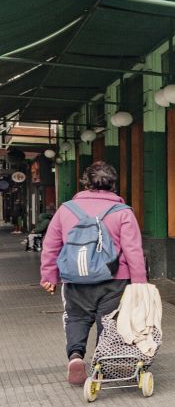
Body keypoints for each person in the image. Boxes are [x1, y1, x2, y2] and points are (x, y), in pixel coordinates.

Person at [38, 162, 148, 386]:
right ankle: (101, 364)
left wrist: (49, 276)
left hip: (75, 277)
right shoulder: (123, 212)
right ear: (114, 184)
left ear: (85, 183)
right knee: (108, 322)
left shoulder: (67, 209)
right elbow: (133, 250)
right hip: (114, 278)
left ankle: (76, 356)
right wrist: (140, 284)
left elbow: (51, 244)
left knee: (77, 317)